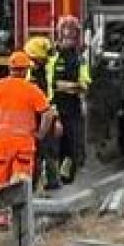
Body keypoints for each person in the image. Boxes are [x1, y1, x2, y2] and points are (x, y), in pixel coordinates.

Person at [0, 52, 55, 190]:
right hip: (23, 141)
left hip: (1, 140)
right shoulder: (32, 90)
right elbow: (47, 114)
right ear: (25, 70)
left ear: (10, 68)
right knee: (21, 183)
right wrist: (41, 133)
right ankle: (18, 210)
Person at [47, 15, 91, 185]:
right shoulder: (52, 57)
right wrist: (69, 86)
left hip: (72, 110)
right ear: (59, 34)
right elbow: (49, 83)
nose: (69, 38)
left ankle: (66, 179)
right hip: (52, 109)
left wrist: (63, 86)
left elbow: (84, 85)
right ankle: (50, 178)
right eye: (66, 34)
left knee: (71, 147)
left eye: (72, 34)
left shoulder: (79, 59)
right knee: (51, 147)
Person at [25, 36, 61, 191]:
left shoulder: (43, 71)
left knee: (46, 149)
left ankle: (49, 182)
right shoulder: (34, 72)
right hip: (38, 116)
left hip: (44, 115)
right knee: (41, 150)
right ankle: (37, 183)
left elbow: (50, 95)